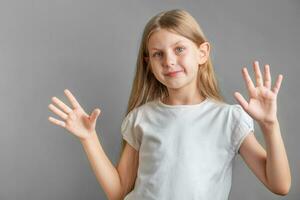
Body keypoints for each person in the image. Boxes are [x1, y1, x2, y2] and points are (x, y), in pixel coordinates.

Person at [48, 9, 291, 200]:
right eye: (158, 54)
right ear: (149, 63)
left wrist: (270, 125)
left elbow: (280, 185)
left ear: (202, 53)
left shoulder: (229, 119)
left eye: (179, 49)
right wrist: (89, 139)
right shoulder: (140, 118)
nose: (169, 61)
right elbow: (118, 192)